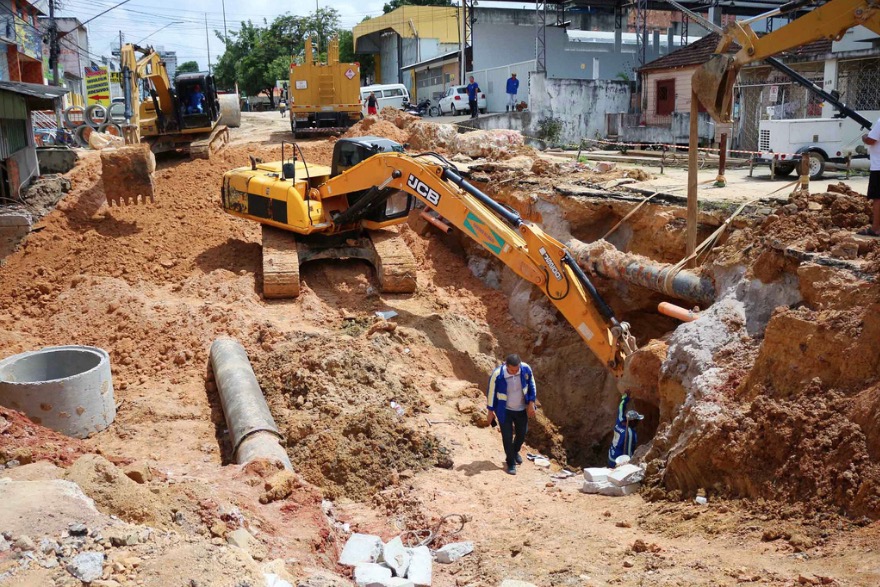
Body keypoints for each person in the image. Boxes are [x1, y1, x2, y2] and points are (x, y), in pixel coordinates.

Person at [486, 354, 537, 475]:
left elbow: (531, 385)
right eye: (512, 370)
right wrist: (490, 412)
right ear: (506, 365)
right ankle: (510, 462)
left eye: (517, 370)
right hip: (504, 411)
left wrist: (531, 403)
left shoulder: (525, 369)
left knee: (522, 433)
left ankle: (514, 452)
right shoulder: (498, 374)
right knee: (507, 437)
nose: (515, 372)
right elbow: (491, 392)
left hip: (520, 409)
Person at [607, 391, 644, 467]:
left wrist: (625, 398)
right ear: (633, 421)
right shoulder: (629, 433)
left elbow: (621, 407)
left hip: (610, 456)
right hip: (616, 461)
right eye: (637, 420)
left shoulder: (620, 421)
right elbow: (629, 451)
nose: (638, 423)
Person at [858, 116, 880, 236]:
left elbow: (871, 140)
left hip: (879, 166)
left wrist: (865, 137)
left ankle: (876, 228)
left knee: (878, 198)